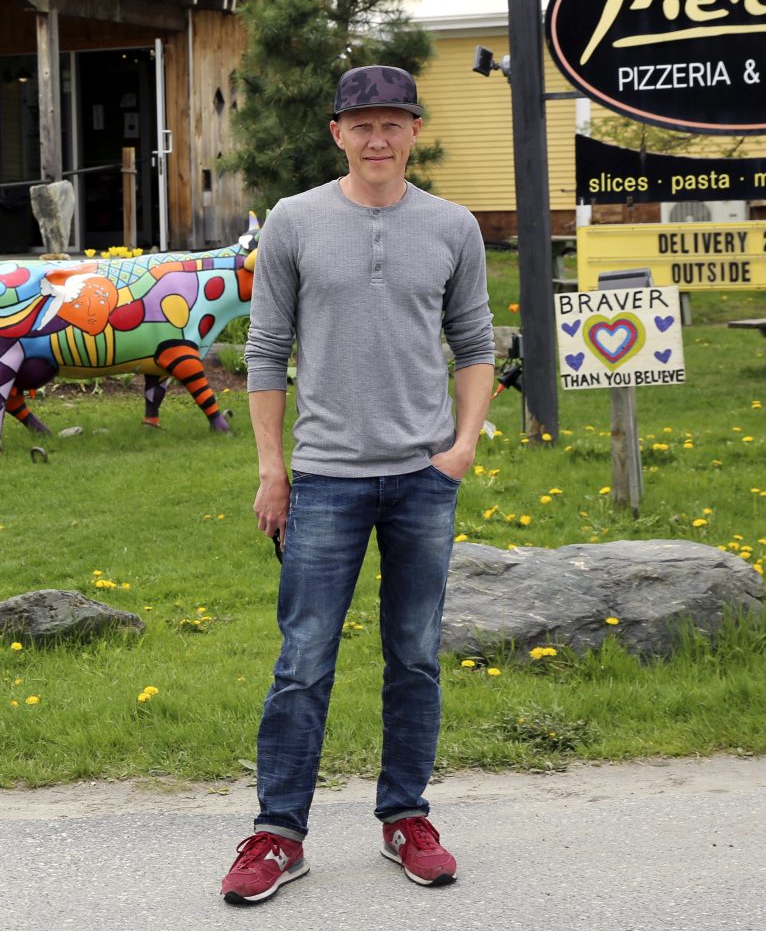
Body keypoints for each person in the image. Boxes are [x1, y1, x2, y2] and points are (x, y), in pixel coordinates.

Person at [220, 64, 494, 905]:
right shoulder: (296, 224)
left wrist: (462, 448)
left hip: (422, 478)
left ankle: (406, 818)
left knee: (414, 657)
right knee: (303, 661)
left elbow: (476, 344)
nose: (378, 139)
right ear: (337, 133)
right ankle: (277, 835)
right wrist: (273, 470)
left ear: (415, 131)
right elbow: (265, 352)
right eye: (362, 124)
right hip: (326, 479)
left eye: (394, 124)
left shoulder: (453, 226)